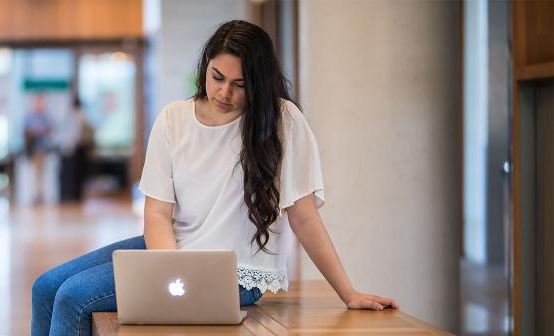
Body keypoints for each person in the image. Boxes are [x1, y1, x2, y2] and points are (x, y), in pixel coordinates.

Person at [31, 20, 398, 336]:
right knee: (46, 287)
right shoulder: (174, 118)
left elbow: (303, 215)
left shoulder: (282, 122)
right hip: (171, 253)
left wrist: (347, 293)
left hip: (233, 273)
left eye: (240, 84)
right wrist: (169, 272)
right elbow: (157, 215)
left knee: (73, 298)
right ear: (205, 67)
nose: (224, 92)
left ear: (258, 84)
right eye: (217, 77)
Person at [24, 93, 56, 204]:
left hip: (44, 149)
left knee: (43, 173)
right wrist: (37, 131)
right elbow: (27, 132)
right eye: (39, 102)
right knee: (36, 173)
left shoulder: (46, 117)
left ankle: (41, 194)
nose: (41, 104)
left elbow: (50, 130)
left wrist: (40, 130)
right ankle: (37, 194)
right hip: (33, 149)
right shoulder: (29, 116)